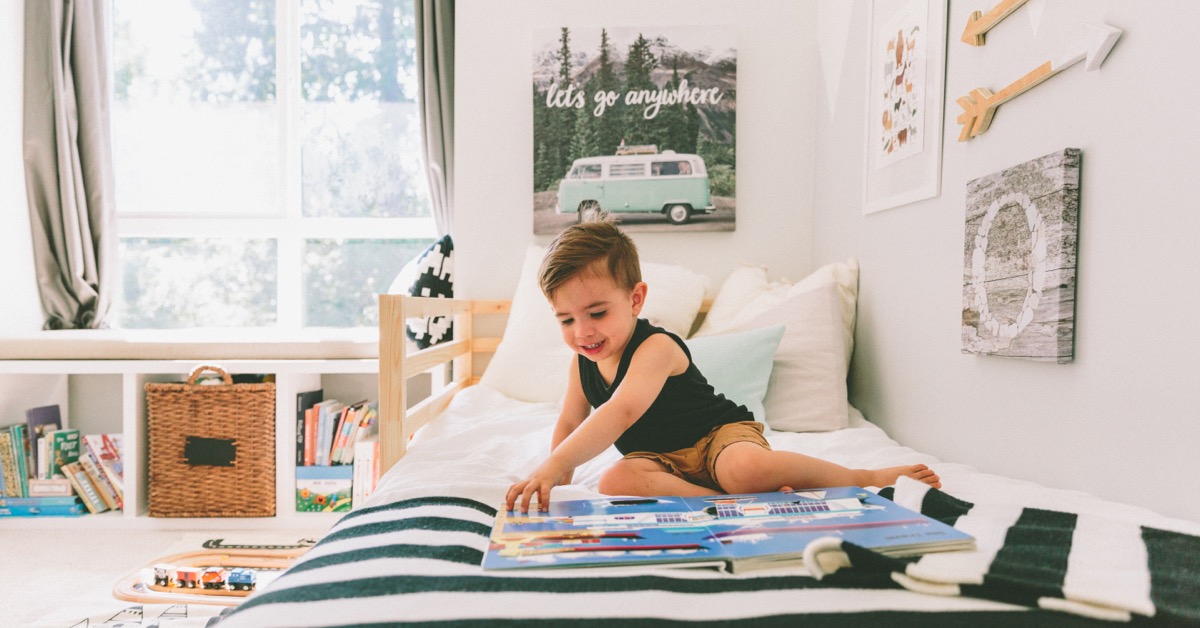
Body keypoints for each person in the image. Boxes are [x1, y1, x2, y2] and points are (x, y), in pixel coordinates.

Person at [504, 217, 940, 512]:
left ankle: (863, 474)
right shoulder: (581, 364)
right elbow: (568, 421)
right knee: (615, 481)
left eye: (597, 313)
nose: (582, 332)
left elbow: (621, 412)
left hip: (718, 438)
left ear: (635, 299)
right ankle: (719, 501)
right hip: (658, 460)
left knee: (747, 469)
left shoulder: (655, 347)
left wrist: (547, 468)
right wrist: (558, 475)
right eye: (566, 319)